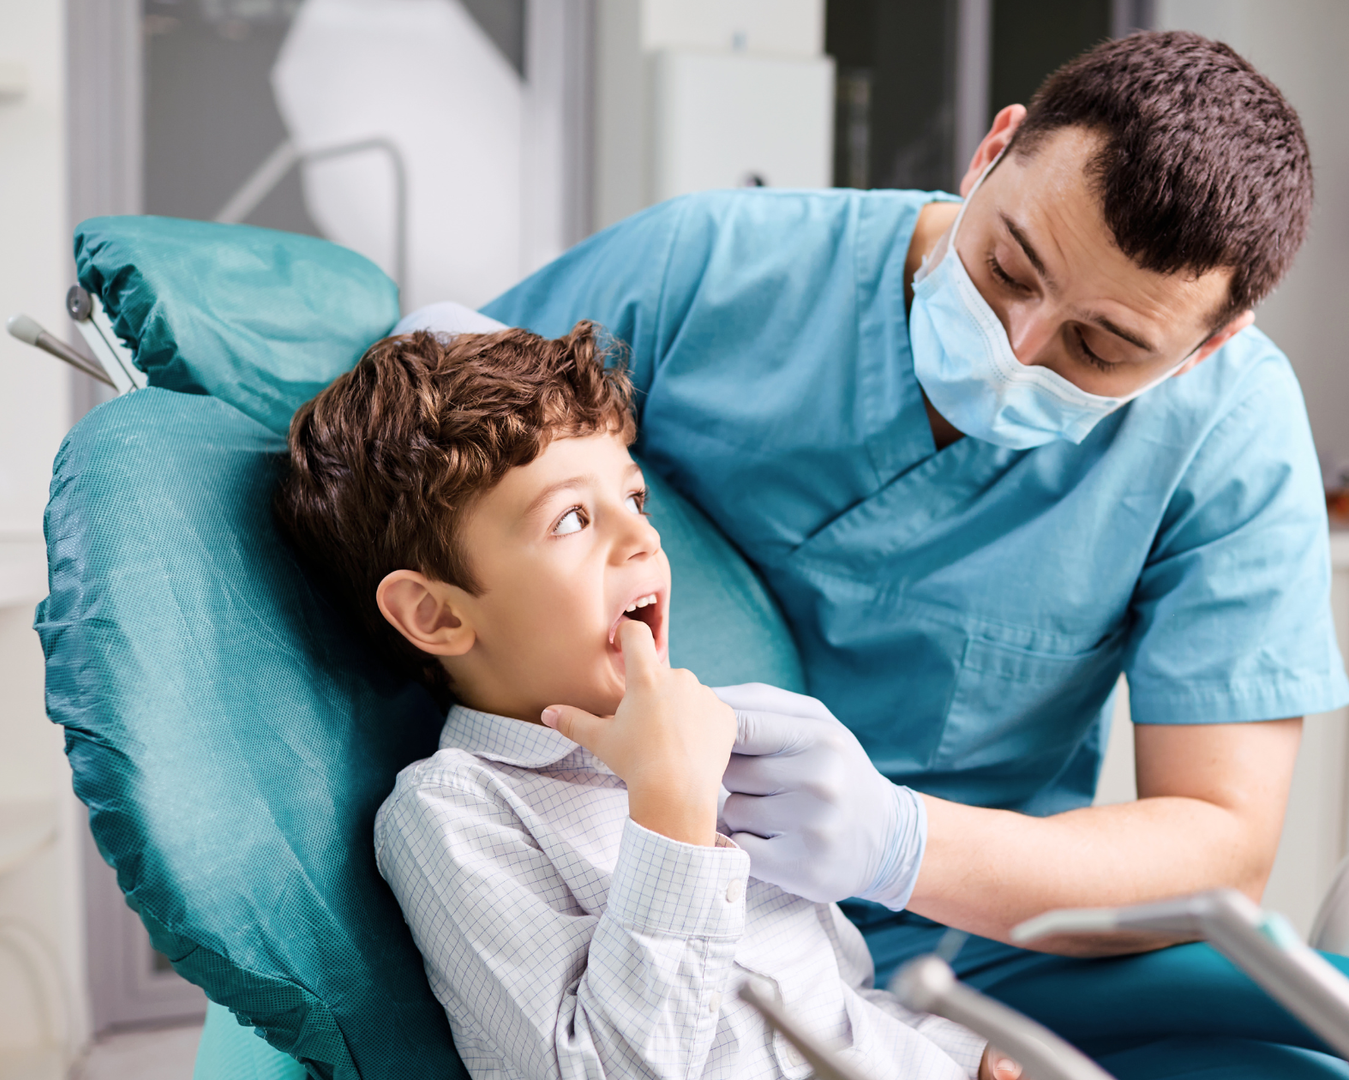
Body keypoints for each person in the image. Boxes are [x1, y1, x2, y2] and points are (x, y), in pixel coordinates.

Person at [483, 31, 1349, 1075]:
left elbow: (1220, 843)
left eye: (1100, 346)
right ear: (991, 151)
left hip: (970, 940)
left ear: (1207, 347)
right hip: (651, 889)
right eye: (1008, 265)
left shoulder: (1225, 428)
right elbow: (442, 429)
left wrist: (900, 841)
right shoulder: (708, 269)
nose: (1017, 345)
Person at [272, 323, 1020, 1079]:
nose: (641, 537)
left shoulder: (715, 748)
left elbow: (834, 1003)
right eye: (571, 518)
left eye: (634, 496)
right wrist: (672, 813)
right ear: (438, 615)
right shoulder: (454, 812)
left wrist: (956, 1054)